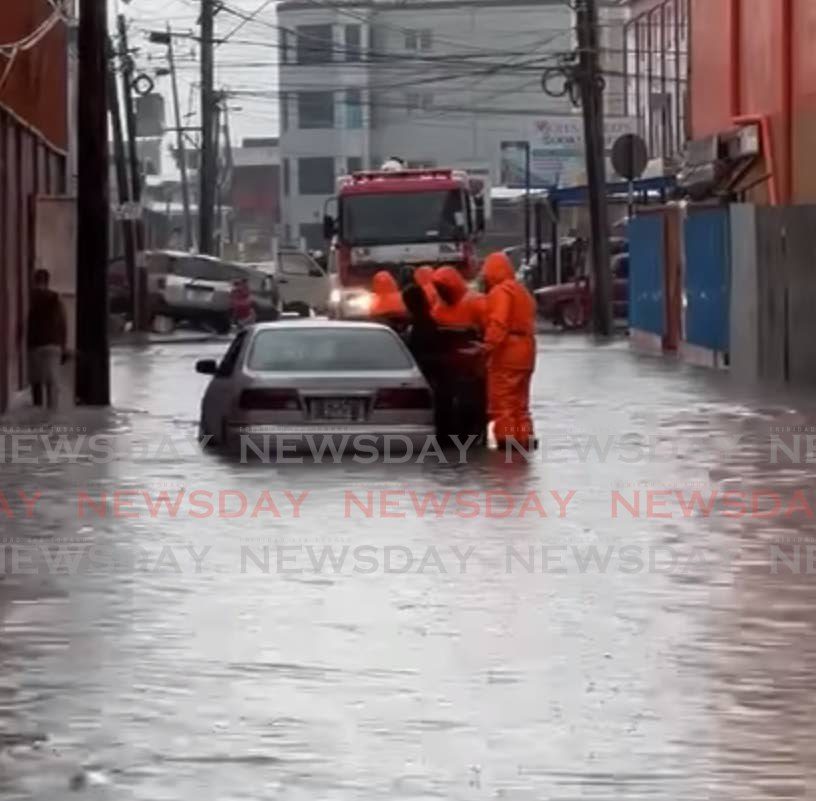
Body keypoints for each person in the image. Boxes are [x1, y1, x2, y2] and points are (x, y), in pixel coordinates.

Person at [402, 283, 486, 445]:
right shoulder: (426, 322)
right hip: (439, 375)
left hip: (433, 375)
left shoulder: (421, 325)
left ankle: (448, 438)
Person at [481, 252, 537, 449]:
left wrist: (486, 347)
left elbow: (499, 323)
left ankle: (508, 443)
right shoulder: (522, 291)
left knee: (503, 401)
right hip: (527, 350)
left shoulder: (500, 292)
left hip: (508, 352)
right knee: (521, 403)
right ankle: (525, 439)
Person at [26, 268, 67, 410]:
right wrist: (63, 346)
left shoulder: (29, 297)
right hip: (53, 345)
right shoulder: (56, 298)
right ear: (47, 282)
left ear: (34, 281)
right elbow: (63, 324)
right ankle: (51, 415)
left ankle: (37, 414)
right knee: (52, 382)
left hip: (34, 345)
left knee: (36, 382)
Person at [431, 266, 486, 331]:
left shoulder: (476, 301)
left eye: (441, 287)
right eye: (438, 288)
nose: (440, 291)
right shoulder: (438, 308)